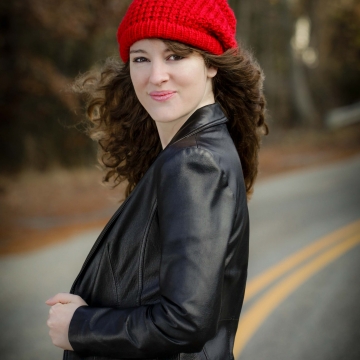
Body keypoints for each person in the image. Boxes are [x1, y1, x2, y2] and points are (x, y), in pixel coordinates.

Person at [46, 0, 268, 359]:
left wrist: (80, 327)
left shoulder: (194, 163)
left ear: (211, 63)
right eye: (141, 58)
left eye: (175, 56)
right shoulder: (194, 149)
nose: (156, 75)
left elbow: (184, 323)